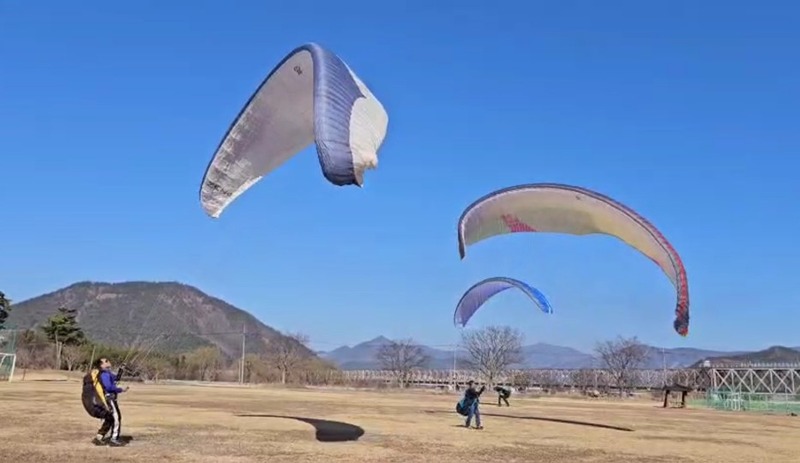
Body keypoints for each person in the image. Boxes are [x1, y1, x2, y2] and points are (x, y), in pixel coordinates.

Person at [84, 357, 129, 446]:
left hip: (109, 398)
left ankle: (99, 437)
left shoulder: (107, 373)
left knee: (110, 418)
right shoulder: (104, 374)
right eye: (106, 361)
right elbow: (108, 387)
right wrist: (121, 389)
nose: (109, 361)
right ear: (101, 365)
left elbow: (115, 379)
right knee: (116, 417)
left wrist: (121, 370)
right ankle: (114, 439)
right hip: (109, 398)